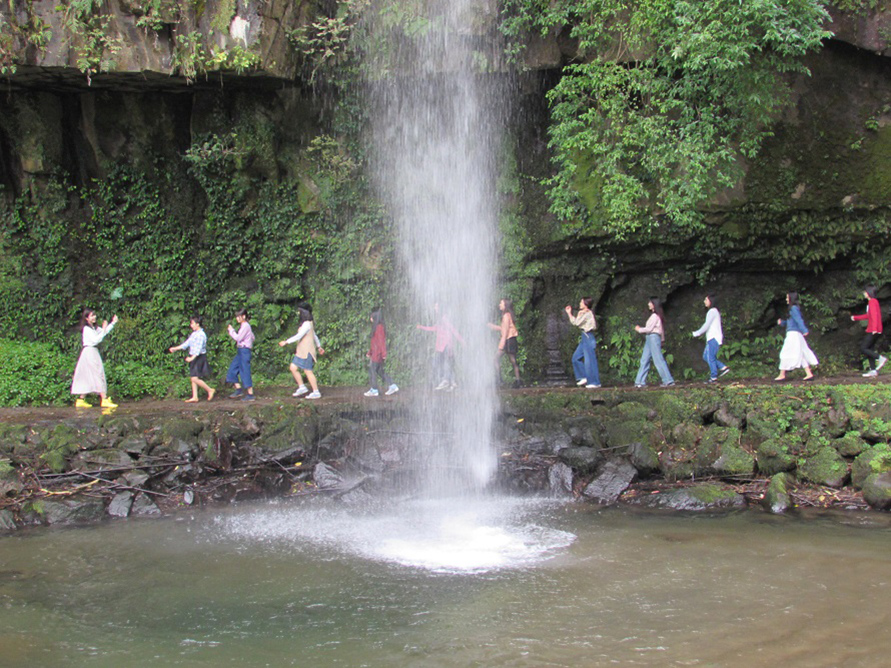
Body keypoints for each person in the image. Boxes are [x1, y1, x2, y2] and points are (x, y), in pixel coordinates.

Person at [71, 309, 119, 408]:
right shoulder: (87, 329)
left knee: (90, 375)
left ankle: (81, 399)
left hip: (93, 352)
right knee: (97, 373)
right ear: (86, 318)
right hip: (89, 352)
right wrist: (104, 328)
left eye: (94, 315)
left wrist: (112, 323)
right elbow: (96, 340)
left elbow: (103, 333)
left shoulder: (93, 328)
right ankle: (104, 399)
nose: (94, 317)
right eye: (92, 316)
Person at [279, 307, 324, 399]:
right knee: (293, 367)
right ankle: (302, 387)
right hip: (301, 351)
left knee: (308, 371)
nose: (298, 314)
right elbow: (314, 336)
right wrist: (319, 346)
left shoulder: (307, 324)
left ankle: (316, 392)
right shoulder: (307, 324)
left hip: (307, 352)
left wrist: (286, 342)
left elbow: (300, 335)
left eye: (299, 313)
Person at [417, 303, 463, 391]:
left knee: (438, 362)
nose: (435, 308)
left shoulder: (444, 318)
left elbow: (452, 330)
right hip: (444, 346)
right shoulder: (441, 319)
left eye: (436, 306)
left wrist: (461, 341)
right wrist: (422, 327)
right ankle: (452, 383)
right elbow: (434, 328)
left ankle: (445, 381)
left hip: (445, 346)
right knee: (448, 363)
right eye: (434, 306)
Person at [168, 315, 214, 402]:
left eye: (192, 323)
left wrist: (192, 358)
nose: (191, 325)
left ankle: (209, 390)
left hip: (199, 357)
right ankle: (195, 396)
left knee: (194, 378)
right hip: (194, 356)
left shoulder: (201, 335)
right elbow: (187, 343)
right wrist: (176, 348)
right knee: (193, 376)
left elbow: (198, 349)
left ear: (197, 324)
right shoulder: (194, 334)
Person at [775, 292, 817, 381]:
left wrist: (804, 330)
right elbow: (792, 322)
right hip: (795, 334)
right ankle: (809, 374)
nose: (786, 299)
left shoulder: (793, 308)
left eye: (787, 298)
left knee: (785, 352)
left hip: (793, 334)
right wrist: (782, 322)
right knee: (801, 353)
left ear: (791, 299)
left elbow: (799, 320)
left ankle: (782, 374)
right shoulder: (793, 309)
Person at [633, 297, 675, 388]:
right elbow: (661, 330)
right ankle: (639, 381)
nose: (648, 304)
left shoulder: (655, 316)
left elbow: (649, 329)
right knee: (644, 359)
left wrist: (639, 329)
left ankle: (668, 380)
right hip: (650, 337)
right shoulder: (656, 316)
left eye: (650, 302)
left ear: (654, 304)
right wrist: (662, 339)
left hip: (653, 337)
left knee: (658, 359)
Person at [692, 294, 729, 383]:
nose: (704, 301)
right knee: (706, 356)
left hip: (713, 338)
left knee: (710, 357)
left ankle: (713, 377)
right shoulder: (713, 311)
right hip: (711, 338)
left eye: (706, 300)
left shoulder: (712, 311)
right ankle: (722, 367)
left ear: (711, 301)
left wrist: (698, 333)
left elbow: (707, 325)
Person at [565, 297, 600, 389]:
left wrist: (572, 314)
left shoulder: (588, 313)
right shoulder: (583, 313)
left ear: (585, 304)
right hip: (584, 338)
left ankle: (594, 382)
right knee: (575, 358)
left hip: (588, 337)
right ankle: (583, 377)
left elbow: (577, 323)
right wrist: (570, 313)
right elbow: (576, 322)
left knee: (590, 361)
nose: (580, 303)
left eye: (581, 302)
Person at [851, 285, 886, 378]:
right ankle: (873, 370)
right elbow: (868, 315)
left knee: (864, 348)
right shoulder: (873, 302)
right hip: (875, 329)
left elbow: (874, 316)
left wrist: (874, 328)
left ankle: (880, 358)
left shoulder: (872, 302)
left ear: (869, 293)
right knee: (869, 349)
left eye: (865, 292)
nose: (864, 293)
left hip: (873, 329)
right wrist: (856, 317)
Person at [364, 308, 398, 397]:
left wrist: (384, 354)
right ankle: (392, 385)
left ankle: (374, 390)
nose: (370, 318)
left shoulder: (379, 328)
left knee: (372, 370)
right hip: (375, 353)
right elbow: (374, 342)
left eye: (371, 316)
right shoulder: (377, 327)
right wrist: (370, 352)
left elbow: (381, 341)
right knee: (379, 371)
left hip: (377, 354)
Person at [488, 298, 521, 386]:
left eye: (501, 303)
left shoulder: (506, 316)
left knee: (495, 359)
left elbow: (505, 333)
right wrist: (494, 327)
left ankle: (499, 380)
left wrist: (501, 346)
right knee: (513, 360)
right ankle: (518, 380)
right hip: (511, 339)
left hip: (508, 340)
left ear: (505, 305)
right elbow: (505, 328)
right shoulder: (508, 315)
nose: (499, 305)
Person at [226, 308, 255, 401]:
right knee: (232, 369)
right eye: (237, 317)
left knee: (245, 371)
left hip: (244, 351)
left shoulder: (245, 326)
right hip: (241, 350)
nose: (237, 318)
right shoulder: (245, 326)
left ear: (244, 316)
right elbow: (252, 337)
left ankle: (250, 394)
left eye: (239, 316)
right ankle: (238, 389)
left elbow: (238, 338)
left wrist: (231, 331)